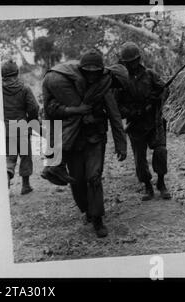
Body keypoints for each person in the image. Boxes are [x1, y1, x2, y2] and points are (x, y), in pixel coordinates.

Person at [42, 49, 127, 238]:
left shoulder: (104, 89)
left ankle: (98, 219)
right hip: (73, 143)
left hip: (95, 139)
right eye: (87, 71)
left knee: (94, 178)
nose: (91, 76)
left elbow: (115, 116)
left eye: (95, 72)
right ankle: (87, 211)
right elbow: (51, 110)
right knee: (77, 180)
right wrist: (73, 110)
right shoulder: (68, 87)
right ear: (81, 71)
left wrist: (121, 144)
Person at [116, 42, 171, 201]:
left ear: (139, 59)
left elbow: (165, 89)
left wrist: (157, 98)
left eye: (134, 61)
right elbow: (117, 106)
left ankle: (161, 183)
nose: (132, 64)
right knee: (140, 158)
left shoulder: (150, 74)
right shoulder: (121, 80)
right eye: (128, 62)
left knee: (160, 151)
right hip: (136, 124)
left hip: (154, 121)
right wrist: (134, 112)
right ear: (124, 63)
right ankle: (147, 186)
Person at [2, 60, 40, 195]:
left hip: (6, 129)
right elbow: (34, 107)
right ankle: (25, 185)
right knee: (25, 156)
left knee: (9, 156)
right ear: (17, 73)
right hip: (21, 128)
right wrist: (32, 121)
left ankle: (6, 177)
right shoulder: (24, 88)